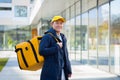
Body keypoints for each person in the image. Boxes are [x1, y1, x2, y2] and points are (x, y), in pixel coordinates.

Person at [39, 16, 72, 80]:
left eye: (61, 23)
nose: (59, 25)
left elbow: (65, 55)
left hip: (62, 71)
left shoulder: (63, 37)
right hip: (51, 73)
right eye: (57, 23)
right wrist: (56, 47)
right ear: (52, 24)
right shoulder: (47, 36)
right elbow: (41, 51)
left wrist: (68, 69)